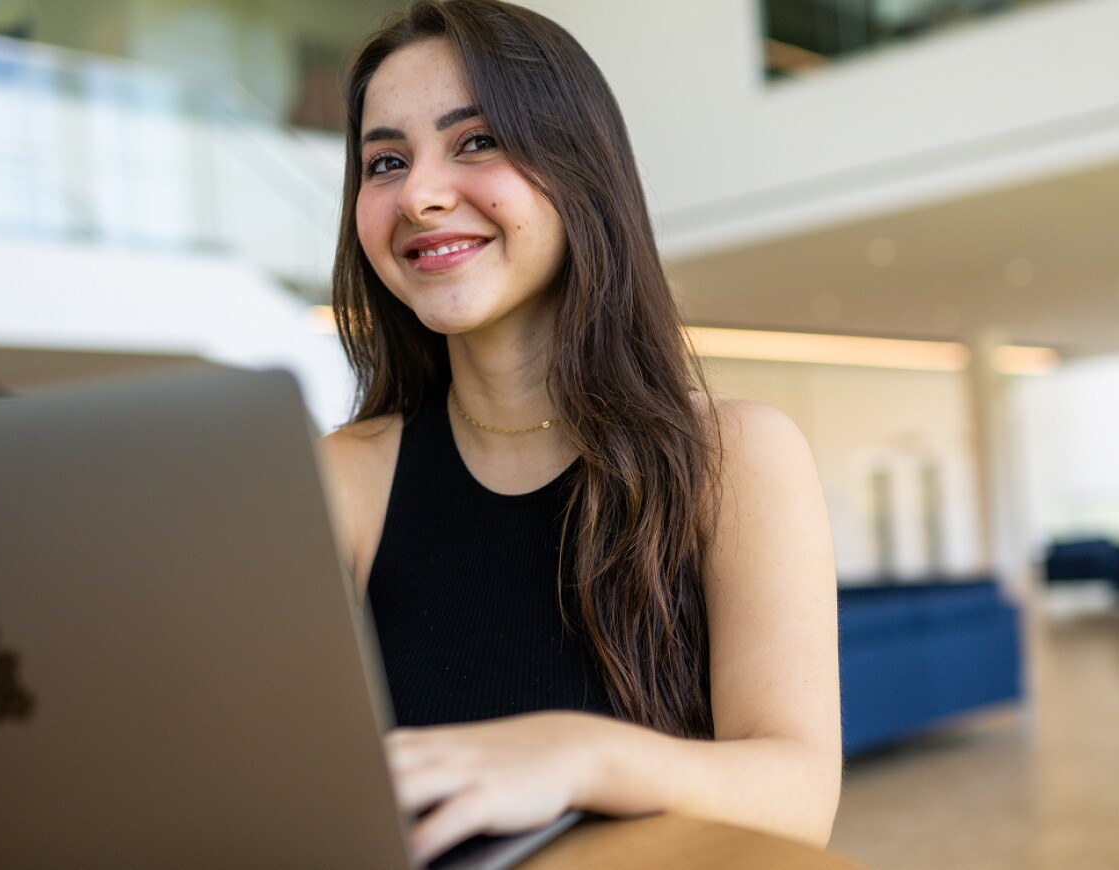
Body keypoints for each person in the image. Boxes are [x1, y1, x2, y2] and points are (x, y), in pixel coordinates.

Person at [317, 0, 841, 863]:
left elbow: (798, 793)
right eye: (385, 161)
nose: (421, 194)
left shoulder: (736, 458)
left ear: (581, 168)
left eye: (476, 140)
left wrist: (577, 754)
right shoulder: (346, 476)